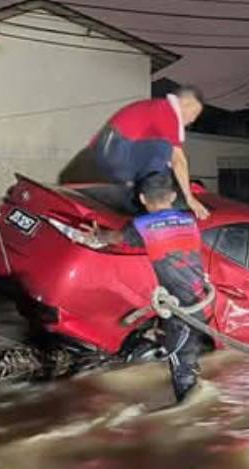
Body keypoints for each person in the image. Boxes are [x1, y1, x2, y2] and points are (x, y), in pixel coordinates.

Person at [87, 173, 211, 402]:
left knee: (182, 370)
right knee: (186, 357)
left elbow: (114, 238)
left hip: (183, 313)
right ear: (173, 196)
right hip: (200, 302)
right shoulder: (189, 219)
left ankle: (190, 419)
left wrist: (97, 234)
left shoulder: (143, 225)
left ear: (143, 199)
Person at [77, 86, 209, 220]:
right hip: (111, 157)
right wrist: (190, 199)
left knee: (162, 160)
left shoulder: (154, 109)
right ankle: (158, 207)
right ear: (184, 103)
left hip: (99, 160)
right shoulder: (167, 112)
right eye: (194, 114)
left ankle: (139, 202)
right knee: (163, 153)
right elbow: (179, 161)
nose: (192, 120)